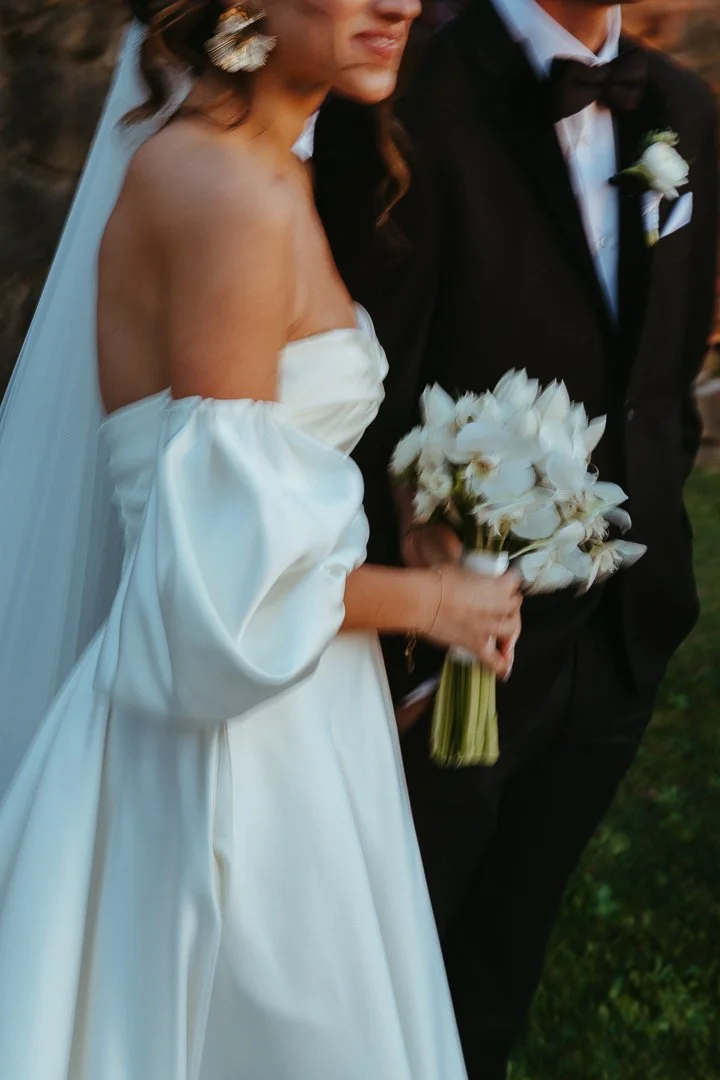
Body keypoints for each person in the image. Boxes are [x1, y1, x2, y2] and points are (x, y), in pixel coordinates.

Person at [0, 2, 526, 1077]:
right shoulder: (225, 191)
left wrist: (410, 537)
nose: (403, 4)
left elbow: (256, 487)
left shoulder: (260, 164)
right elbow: (216, 590)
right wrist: (435, 607)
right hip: (231, 757)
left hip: (293, 711)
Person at [314, 0, 719, 1076]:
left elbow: (661, 381)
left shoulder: (684, 112)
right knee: (376, 993)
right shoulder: (402, 102)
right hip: (437, 662)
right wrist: (400, 623)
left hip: (617, 645)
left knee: (492, 995)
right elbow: (351, 394)